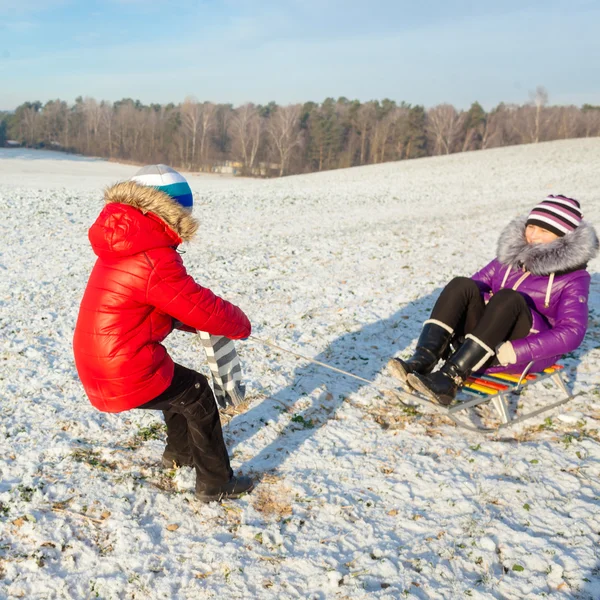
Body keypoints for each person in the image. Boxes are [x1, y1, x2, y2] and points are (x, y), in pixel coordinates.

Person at [73, 165, 253, 502]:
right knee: (197, 393)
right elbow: (198, 304)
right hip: (119, 367)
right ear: (173, 209)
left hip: (98, 361)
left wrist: (190, 321)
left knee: (174, 383)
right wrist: (240, 325)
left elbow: (160, 302)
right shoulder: (153, 256)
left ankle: (179, 455)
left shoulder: (124, 242)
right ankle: (216, 483)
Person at [388, 195, 598, 406]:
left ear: (563, 237)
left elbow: (572, 332)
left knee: (508, 299)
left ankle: (450, 378)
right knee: (462, 285)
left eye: (544, 231)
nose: (533, 236)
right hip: (484, 340)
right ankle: (424, 359)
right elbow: (469, 290)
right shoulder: (511, 259)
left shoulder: (574, 278)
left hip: (521, 352)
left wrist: (514, 351)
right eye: (531, 227)